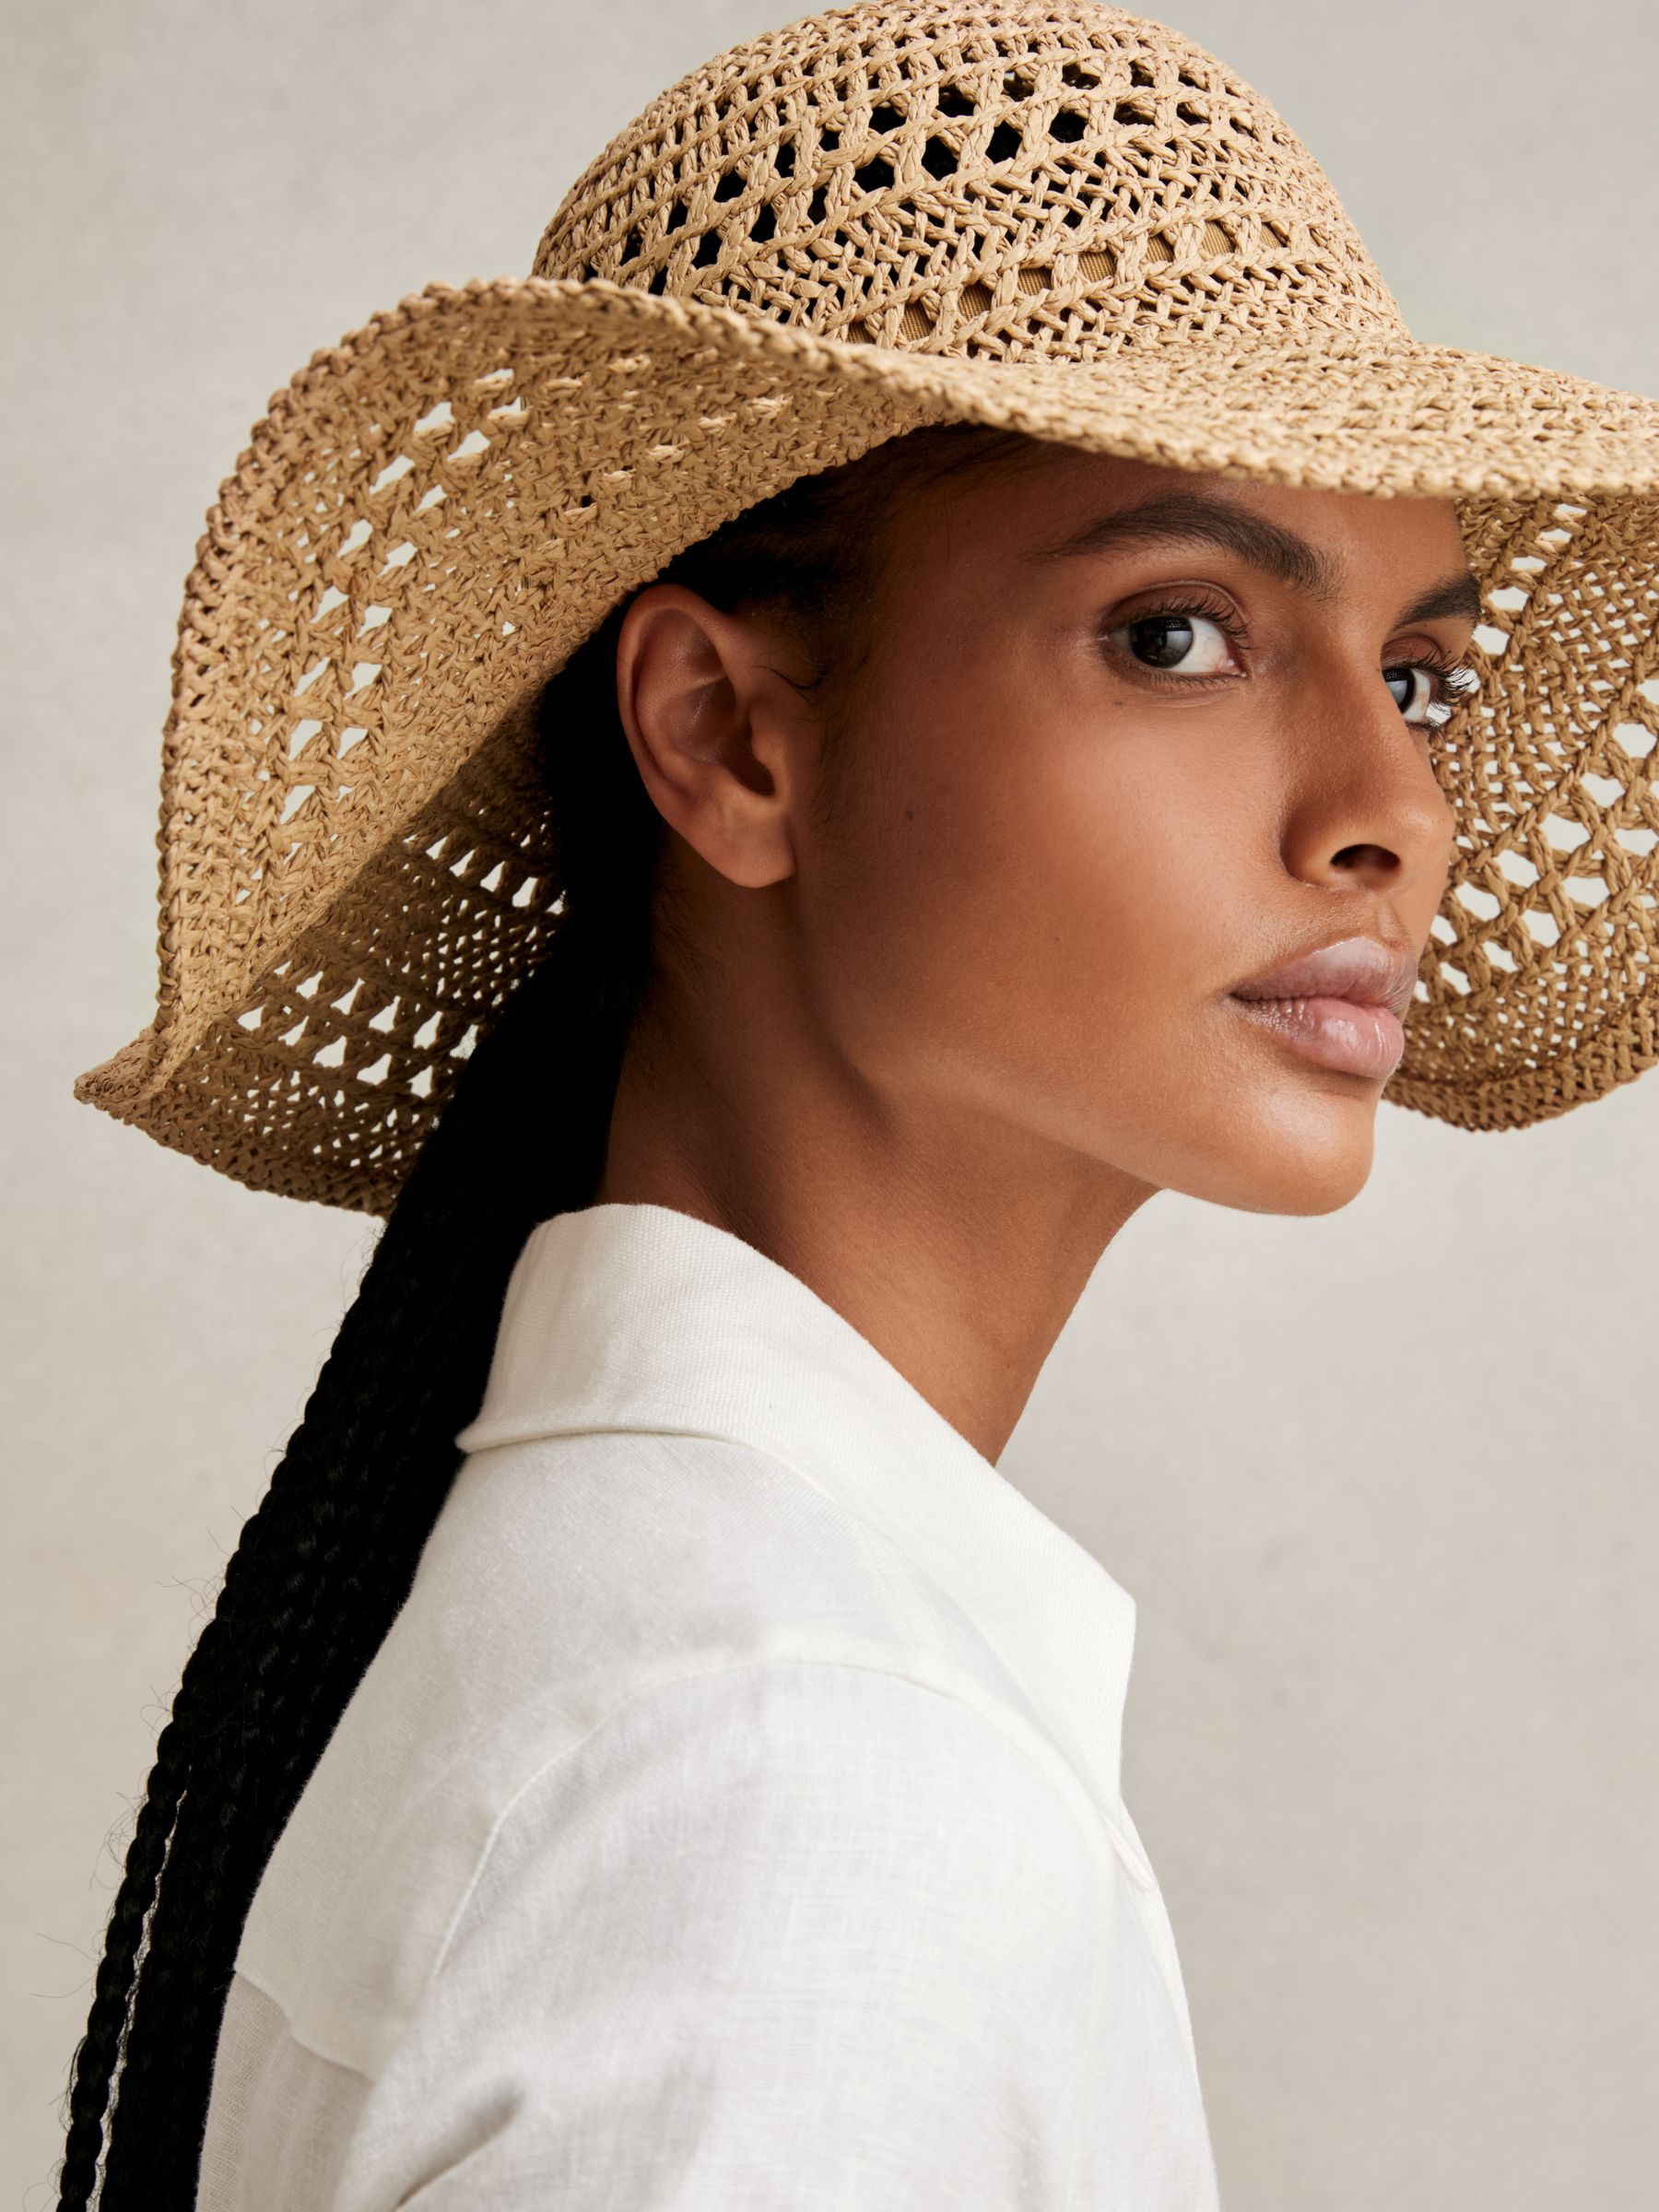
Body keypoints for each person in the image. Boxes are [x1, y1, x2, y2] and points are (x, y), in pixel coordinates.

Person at [57, 2, 1658, 2207]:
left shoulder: (670, 1671)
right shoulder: (809, 1797)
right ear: (727, 736)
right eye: (1181, 634)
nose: (1390, 804)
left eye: (1418, 676)